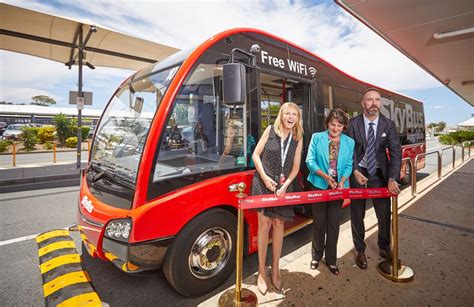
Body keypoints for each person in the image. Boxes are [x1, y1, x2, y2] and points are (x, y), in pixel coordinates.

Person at [251, 102, 303, 295]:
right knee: (264, 226)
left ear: (298, 118)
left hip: (283, 187)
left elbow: (295, 168)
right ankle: (262, 272)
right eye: (288, 114)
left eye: (294, 115)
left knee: (279, 225)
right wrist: (265, 178)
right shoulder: (270, 130)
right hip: (263, 183)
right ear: (281, 115)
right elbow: (256, 155)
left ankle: (276, 269)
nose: (291, 117)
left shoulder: (298, 138)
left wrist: (286, 185)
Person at [347, 88, 402, 270]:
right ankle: (360, 249)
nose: (373, 104)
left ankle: (384, 247)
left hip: (379, 175)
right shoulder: (353, 124)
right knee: (357, 214)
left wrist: (392, 178)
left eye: (377, 100)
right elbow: (349, 151)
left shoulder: (388, 124)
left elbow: (395, 152)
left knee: (384, 214)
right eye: (369, 100)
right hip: (358, 173)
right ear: (363, 104)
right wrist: (354, 170)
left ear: (380, 103)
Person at [306, 108, 354, 275]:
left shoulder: (349, 142)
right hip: (319, 184)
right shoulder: (317, 138)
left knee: (333, 224)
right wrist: (325, 176)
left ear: (344, 126)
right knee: (319, 223)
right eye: (333, 124)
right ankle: (316, 256)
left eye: (339, 125)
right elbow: (310, 161)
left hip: (338, 188)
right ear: (327, 123)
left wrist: (342, 181)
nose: (335, 128)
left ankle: (331, 259)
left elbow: (348, 165)